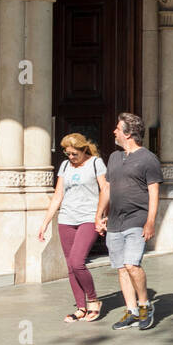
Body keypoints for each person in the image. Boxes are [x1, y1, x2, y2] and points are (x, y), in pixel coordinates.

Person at [96, 113, 161, 331]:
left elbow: (154, 192)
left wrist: (150, 221)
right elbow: (107, 188)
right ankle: (131, 310)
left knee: (132, 264)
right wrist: (99, 215)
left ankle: (145, 305)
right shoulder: (114, 158)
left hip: (137, 218)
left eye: (117, 128)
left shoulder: (148, 159)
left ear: (128, 133)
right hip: (115, 220)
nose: (113, 131)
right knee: (122, 268)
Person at [38, 133, 107, 323]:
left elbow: (105, 189)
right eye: (67, 153)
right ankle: (81, 308)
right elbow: (58, 195)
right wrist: (45, 222)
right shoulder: (65, 165)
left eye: (74, 154)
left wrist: (101, 216)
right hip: (66, 218)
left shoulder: (96, 163)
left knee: (78, 261)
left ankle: (93, 300)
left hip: (88, 218)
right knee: (70, 266)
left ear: (84, 150)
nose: (70, 157)